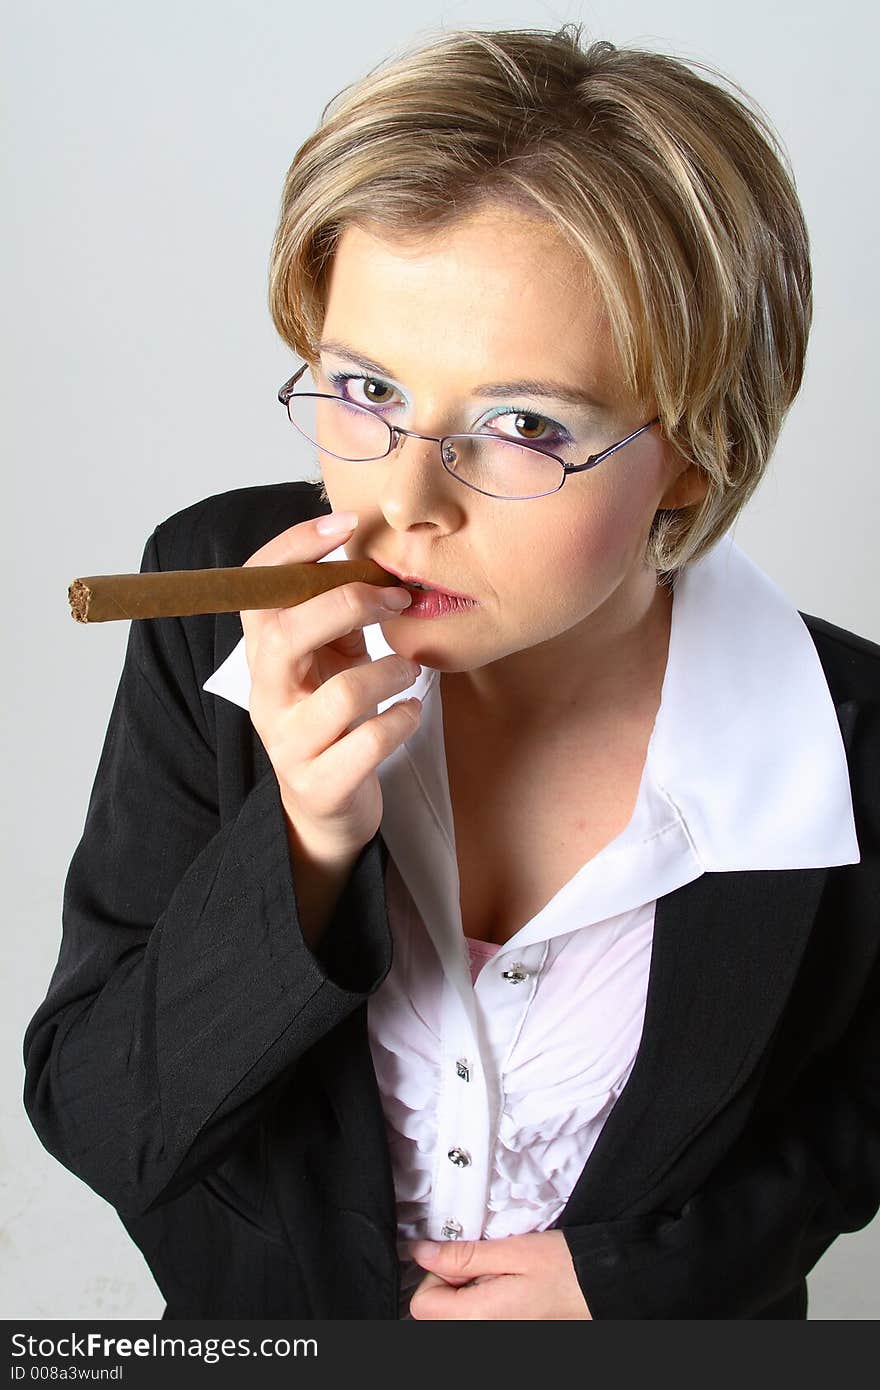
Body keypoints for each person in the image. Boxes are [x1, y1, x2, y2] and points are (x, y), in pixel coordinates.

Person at [23, 24, 880, 1321]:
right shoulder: (212, 607)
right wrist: (304, 846)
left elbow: (855, 1115)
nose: (405, 499)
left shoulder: (848, 740)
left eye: (526, 423)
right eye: (364, 387)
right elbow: (100, 1117)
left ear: (696, 452)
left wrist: (644, 1282)